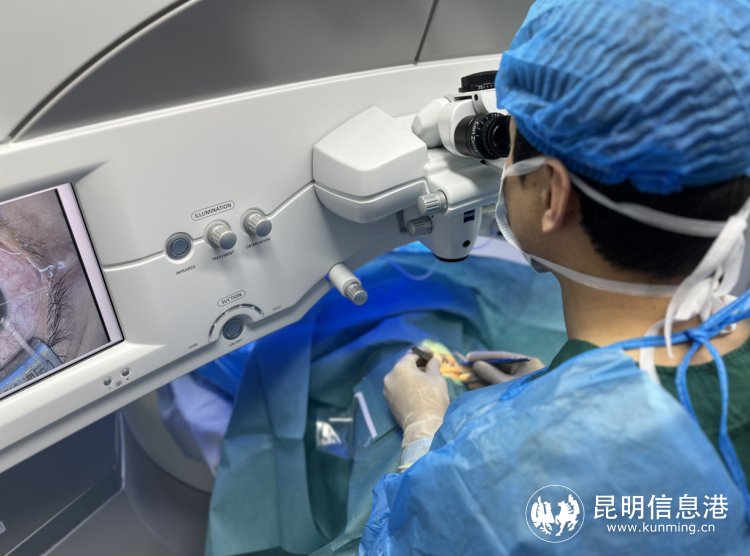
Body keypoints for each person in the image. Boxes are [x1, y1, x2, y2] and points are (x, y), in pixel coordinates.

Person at [359, 0, 750, 553]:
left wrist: (425, 431)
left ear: (551, 194)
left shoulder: (507, 470)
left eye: (510, 145)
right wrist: (552, 391)